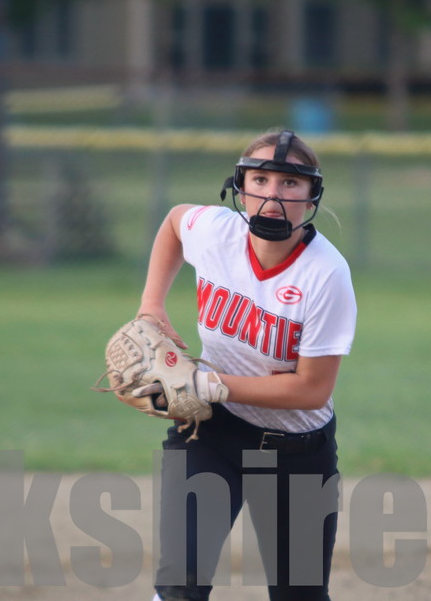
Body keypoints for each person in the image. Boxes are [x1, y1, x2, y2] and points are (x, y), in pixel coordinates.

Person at [136, 130, 357, 600]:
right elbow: (175, 222)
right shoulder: (218, 233)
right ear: (240, 186)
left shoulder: (326, 274)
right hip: (211, 433)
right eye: (260, 179)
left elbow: (311, 390)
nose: (272, 196)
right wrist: (151, 304)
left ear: (311, 196)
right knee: (181, 582)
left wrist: (208, 383)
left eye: (290, 183)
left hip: (297, 450)